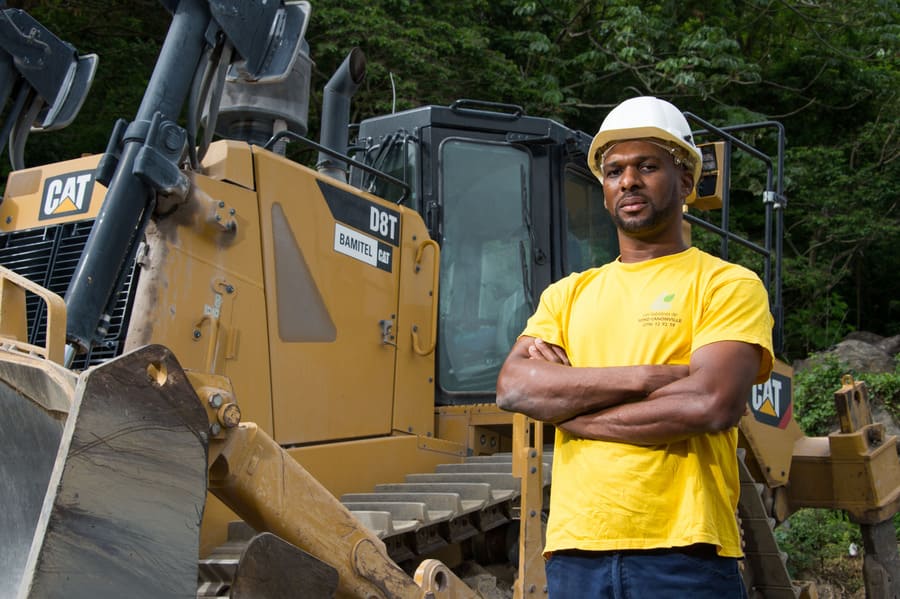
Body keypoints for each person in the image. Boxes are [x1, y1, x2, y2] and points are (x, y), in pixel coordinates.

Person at [495, 96, 774, 598]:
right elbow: (515, 388)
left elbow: (712, 403)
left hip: (684, 551)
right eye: (615, 170)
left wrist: (572, 415)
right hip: (575, 550)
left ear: (685, 181)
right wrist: (652, 377)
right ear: (603, 190)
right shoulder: (567, 295)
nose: (629, 180)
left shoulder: (726, 284)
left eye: (648, 166)